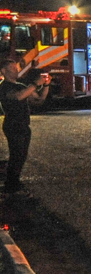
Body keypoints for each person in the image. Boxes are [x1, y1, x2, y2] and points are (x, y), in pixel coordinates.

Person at [0, 58, 51, 197]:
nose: (16, 70)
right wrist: (35, 83)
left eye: (16, 68)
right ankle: (11, 185)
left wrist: (46, 86)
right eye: (12, 68)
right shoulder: (4, 87)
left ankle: (14, 183)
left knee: (21, 156)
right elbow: (18, 97)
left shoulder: (20, 85)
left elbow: (38, 100)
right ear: (4, 71)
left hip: (23, 125)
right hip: (13, 124)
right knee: (16, 155)